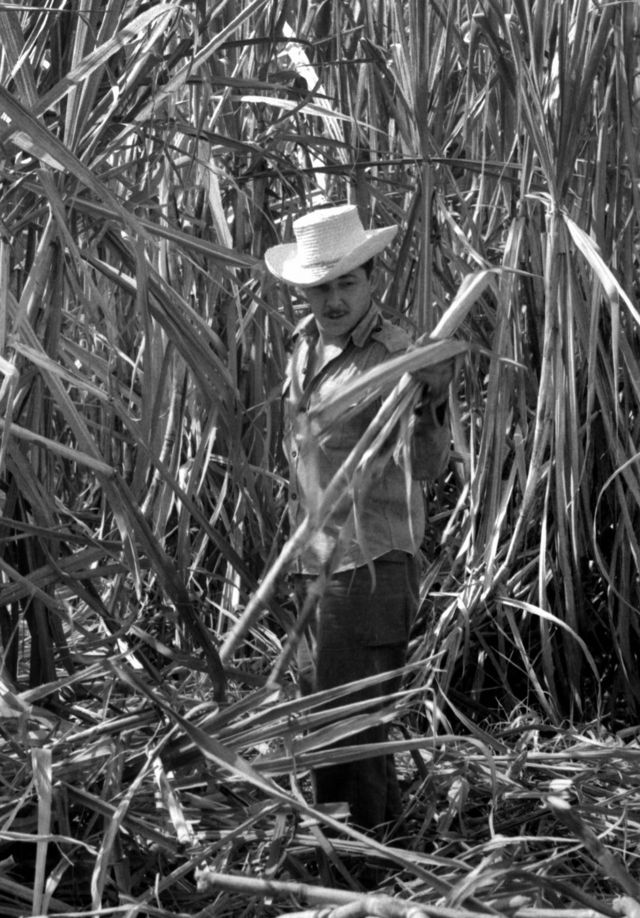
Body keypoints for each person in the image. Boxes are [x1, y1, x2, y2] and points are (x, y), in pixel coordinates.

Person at [264, 203, 453, 838]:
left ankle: (368, 857)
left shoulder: (396, 358)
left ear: (372, 279)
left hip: (370, 564)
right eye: (322, 286)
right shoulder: (303, 345)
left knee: (350, 723)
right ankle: (368, 847)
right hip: (316, 560)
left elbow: (426, 467)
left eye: (348, 282)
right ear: (304, 289)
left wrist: (432, 398)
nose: (335, 297)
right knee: (334, 715)